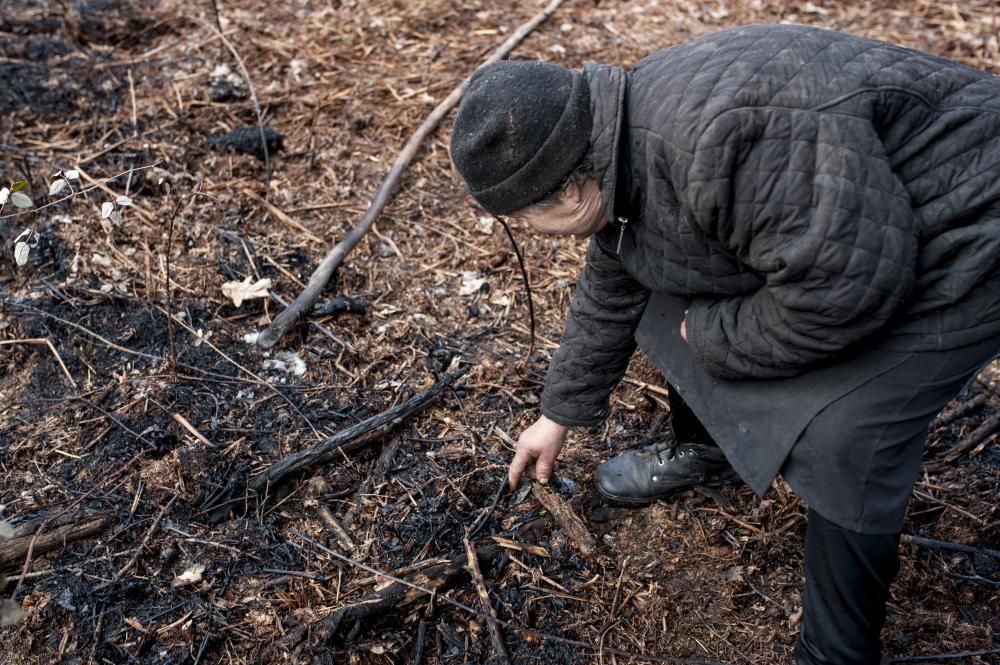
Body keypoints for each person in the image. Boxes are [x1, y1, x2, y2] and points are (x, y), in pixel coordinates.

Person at [448, 23, 1000, 665]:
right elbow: (617, 273)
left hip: (968, 231)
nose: (531, 232)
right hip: (864, 228)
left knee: (850, 434)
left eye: (524, 218)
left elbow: (845, 291)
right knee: (659, 296)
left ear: (570, 189)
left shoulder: (715, 140)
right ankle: (708, 451)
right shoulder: (618, 135)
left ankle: (835, 651)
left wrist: (716, 336)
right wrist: (558, 415)